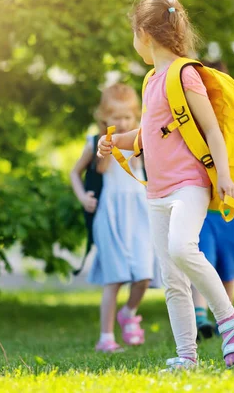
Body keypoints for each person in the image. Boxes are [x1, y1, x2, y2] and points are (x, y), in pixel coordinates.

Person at [97, 0, 234, 370]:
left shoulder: (186, 74)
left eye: (133, 34)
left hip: (189, 185)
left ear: (145, 34)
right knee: (172, 278)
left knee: (183, 248)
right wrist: (116, 141)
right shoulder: (151, 80)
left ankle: (231, 318)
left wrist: (226, 177)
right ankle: (187, 356)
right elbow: (148, 137)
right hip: (157, 192)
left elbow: (212, 131)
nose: (134, 42)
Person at [69, 83, 155, 353]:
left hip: (139, 213)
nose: (122, 122)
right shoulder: (96, 142)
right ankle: (106, 337)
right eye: (116, 117)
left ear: (136, 116)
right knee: (114, 278)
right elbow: (76, 172)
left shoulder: (141, 139)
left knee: (144, 275)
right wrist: (83, 196)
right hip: (110, 213)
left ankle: (129, 312)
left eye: (128, 116)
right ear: (104, 117)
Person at [192, 60, 234, 340]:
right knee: (204, 263)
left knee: (228, 267)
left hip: (233, 210)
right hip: (204, 209)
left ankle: (226, 315)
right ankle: (200, 315)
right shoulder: (197, 125)